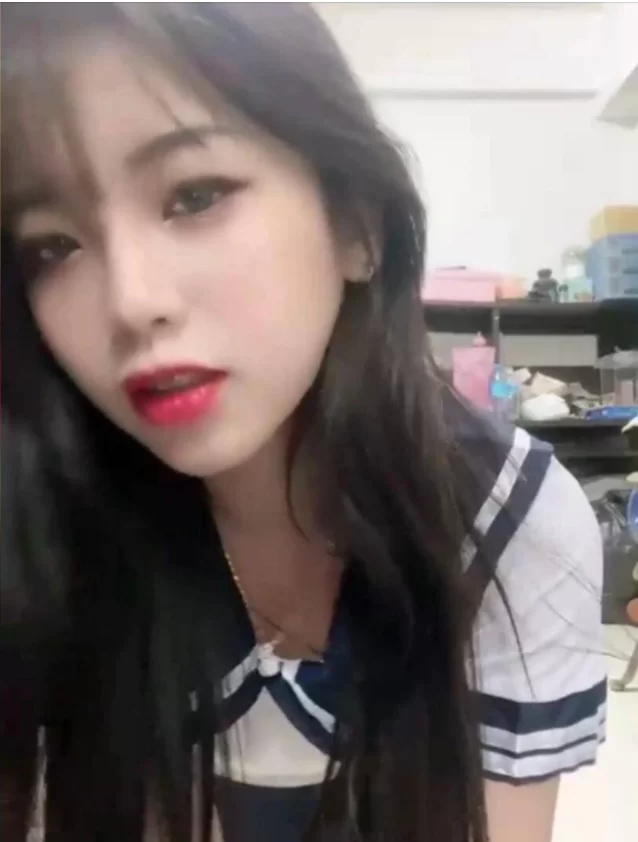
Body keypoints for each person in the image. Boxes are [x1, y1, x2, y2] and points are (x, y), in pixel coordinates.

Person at [0, 4, 606, 842]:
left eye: (194, 196)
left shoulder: (508, 524)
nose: (131, 302)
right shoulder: (44, 522)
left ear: (358, 225)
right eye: (53, 246)